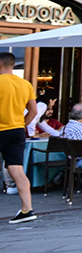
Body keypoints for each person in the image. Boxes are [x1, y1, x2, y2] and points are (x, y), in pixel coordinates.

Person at [0, 51, 38, 224]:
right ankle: (27, 209)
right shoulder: (25, 84)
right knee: (17, 170)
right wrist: (22, 124)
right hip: (16, 131)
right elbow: (33, 111)